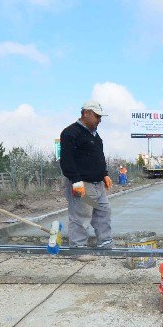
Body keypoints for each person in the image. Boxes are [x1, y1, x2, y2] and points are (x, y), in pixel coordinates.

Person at [59, 101, 113, 251]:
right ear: (86, 113)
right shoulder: (71, 133)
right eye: (97, 116)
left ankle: (105, 243)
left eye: (100, 117)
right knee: (81, 216)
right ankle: (78, 248)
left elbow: (99, 157)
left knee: (103, 212)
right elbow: (67, 160)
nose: (99, 120)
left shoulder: (95, 135)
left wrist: (104, 174)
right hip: (83, 185)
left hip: (98, 185)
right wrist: (76, 181)